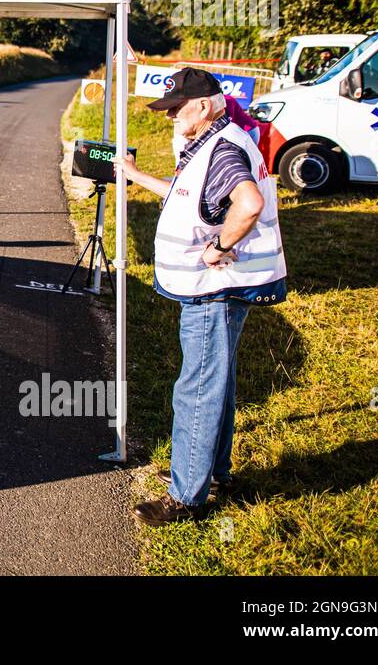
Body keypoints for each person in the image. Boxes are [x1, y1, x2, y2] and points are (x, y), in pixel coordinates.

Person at [117, 68, 287, 526]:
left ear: (207, 104)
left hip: (214, 291)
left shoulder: (224, 149)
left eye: (177, 107)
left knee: (196, 389)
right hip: (221, 290)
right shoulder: (215, 142)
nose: (170, 115)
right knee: (218, 381)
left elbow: (247, 203)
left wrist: (221, 246)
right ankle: (217, 474)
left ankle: (185, 498)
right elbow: (186, 196)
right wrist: (135, 175)